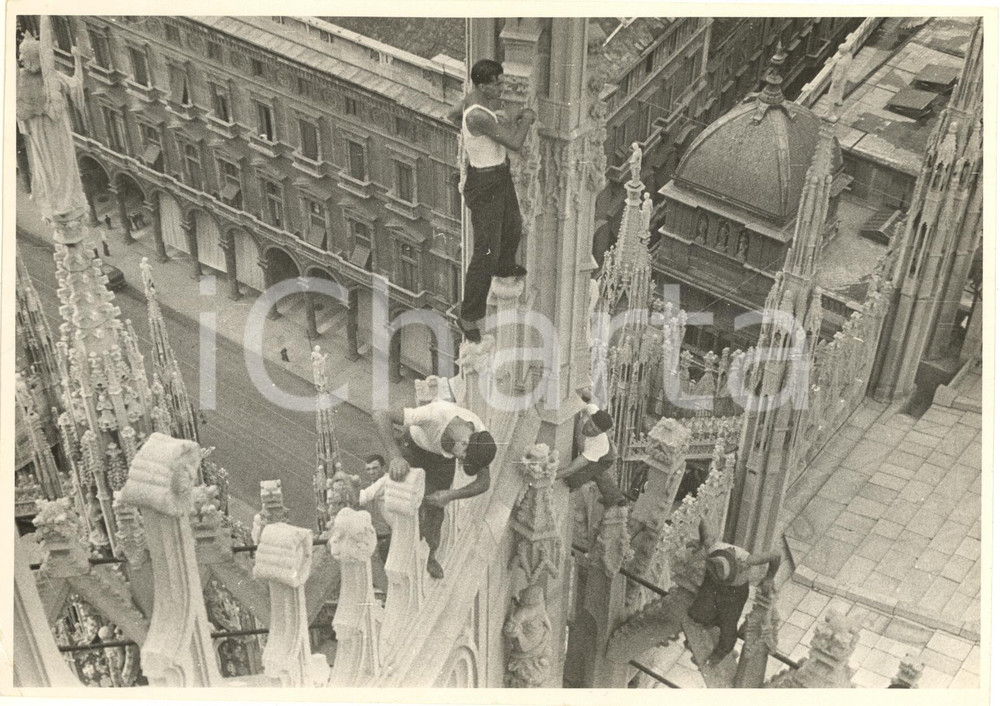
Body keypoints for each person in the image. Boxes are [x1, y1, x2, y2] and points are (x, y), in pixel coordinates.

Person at [446, 59, 537, 343]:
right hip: (485, 184)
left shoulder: (472, 103)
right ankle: (468, 314)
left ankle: (504, 264)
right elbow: (515, 142)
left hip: (498, 174)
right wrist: (527, 119)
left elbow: (452, 115)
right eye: (497, 83)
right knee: (485, 251)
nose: (502, 87)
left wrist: (478, 138)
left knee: (513, 225)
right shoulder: (477, 115)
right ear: (483, 85)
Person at [373, 399, 497, 579]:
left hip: (441, 459)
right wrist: (395, 457)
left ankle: (428, 557)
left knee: (434, 510)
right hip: (414, 448)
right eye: (462, 458)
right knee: (404, 501)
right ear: (463, 443)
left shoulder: (478, 436)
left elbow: (484, 482)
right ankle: (389, 549)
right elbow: (380, 414)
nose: (461, 463)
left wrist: (451, 495)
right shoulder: (435, 415)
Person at [687, 517, 781, 665]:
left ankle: (718, 655)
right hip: (712, 583)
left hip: (734, 594)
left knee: (728, 628)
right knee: (697, 613)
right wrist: (700, 543)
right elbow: (704, 522)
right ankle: (712, 620)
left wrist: (769, 577)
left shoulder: (747, 560)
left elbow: (776, 555)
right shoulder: (712, 548)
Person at [556, 404, 627, 506]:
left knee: (573, 479)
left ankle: (614, 499)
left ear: (601, 433)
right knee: (598, 474)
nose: (589, 429)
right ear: (590, 417)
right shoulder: (591, 410)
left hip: (606, 457)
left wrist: (548, 476)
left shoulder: (597, 446)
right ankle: (615, 497)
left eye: (594, 430)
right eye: (590, 424)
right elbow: (584, 402)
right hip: (597, 447)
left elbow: (570, 469)